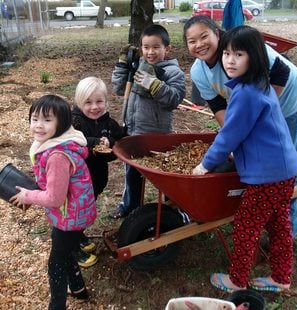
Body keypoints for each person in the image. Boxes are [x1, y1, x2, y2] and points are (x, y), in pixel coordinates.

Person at [193, 25, 297, 293]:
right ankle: (281, 277)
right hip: (283, 168)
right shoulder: (258, 83)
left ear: (254, 56)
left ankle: (237, 280)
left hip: (267, 174)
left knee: (246, 225)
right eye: (227, 54)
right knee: (278, 223)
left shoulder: (245, 94)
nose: (230, 60)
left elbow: (229, 135)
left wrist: (205, 165)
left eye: (239, 54)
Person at [184, 15, 297, 239]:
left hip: (288, 103)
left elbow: (281, 71)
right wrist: (236, 135)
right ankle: (263, 213)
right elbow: (218, 105)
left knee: (281, 166)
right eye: (192, 41)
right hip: (252, 110)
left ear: (217, 33)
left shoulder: (242, 47)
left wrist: (264, 114)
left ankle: (289, 228)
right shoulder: (198, 71)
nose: (199, 44)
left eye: (204, 36)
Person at [9, 95, 97, 309]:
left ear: (62, 123)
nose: (39, 125)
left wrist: (27, 195)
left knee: (56, 262)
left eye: (47, 120)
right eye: (35, 119)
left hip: (70, 216)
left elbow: (55, 198)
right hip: (74, 212)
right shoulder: (57, 142)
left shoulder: (58, 155)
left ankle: (57, 305)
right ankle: (78, 290)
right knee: (64, 250)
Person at [110, 24, 186, 219]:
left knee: (163, 177)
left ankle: (176, 208)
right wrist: (122, 66)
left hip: (155, 136)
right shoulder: (138, 66)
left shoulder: (172, 72)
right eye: (146, 47)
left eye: (156, 47)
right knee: (131, 174)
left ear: (167, 49)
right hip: (133, 130)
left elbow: (174, 99)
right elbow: (119, 89)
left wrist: (154, 85)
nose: (150, 52)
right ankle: (130, 206)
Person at [72, 76, 124, 264]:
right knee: (76, 211)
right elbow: (75, 141)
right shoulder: (75, 123)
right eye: (88, 102)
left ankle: (78, 236)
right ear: (79, 102)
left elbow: (120, 137)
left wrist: (111, 142)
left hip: (97, 178)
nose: (95, 107)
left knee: (86, 208)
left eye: (99, 101)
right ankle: (72, 249)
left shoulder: (107, 123)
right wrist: (96, 143)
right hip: (78, 180)